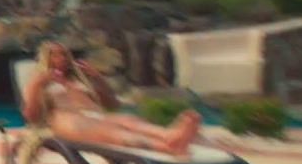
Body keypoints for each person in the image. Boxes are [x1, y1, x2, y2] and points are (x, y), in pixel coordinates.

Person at [21, 40, 200, 154]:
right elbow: (30, 117)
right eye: (54, 54)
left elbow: (113, 104)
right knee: (113, 133)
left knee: (129, 120)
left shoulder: (77, 79)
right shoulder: (38, 80)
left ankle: (168, 134)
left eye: (63, 53)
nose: (60, 58)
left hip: (96, 114)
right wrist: (37, 85)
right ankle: (166, 146)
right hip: (66, 119)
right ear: (45, 57)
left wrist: (97, 78)